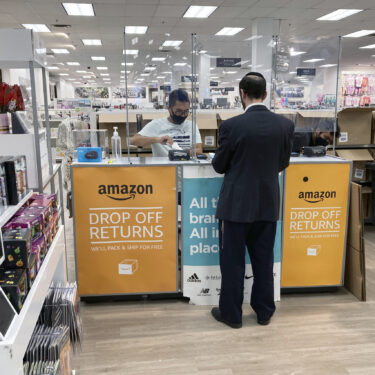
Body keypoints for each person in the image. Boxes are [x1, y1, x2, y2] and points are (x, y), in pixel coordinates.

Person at [211, 72, 294, 329]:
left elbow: (219, 165)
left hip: (235, 206)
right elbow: (283, 163)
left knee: (233, 262)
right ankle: (264, 312)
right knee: (263, 259)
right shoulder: (285, 126)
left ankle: (232, 315)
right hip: (268, 204)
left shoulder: (231, 126)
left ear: (242, 94)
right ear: (266, 95)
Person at [130, 89, 202, 156]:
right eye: (179, 111)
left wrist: (179, 154)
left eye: (186, 111)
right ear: (169, 109)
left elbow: (199, 150)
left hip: (187, 168)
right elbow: (133, 141)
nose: (183, 115)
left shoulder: (191, 125)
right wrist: (157, 139)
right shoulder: (157, 124)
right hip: (164, 168)